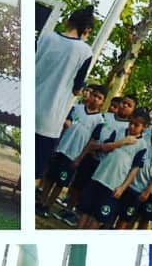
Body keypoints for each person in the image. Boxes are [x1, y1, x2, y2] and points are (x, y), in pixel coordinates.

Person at [35, 7, 95, 181]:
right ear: (87, 30)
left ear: (68, 21)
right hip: (50, 117)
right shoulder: (85, 52)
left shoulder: (45, 37)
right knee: (35, 168)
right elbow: (77, 88)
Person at [37, 86, 106, 215]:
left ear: (102, 102)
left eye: (99, 98)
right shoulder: (76, 108)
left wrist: (79, 158)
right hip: (61, 148)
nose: (95, 99)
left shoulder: (99, 121)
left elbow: (91, 142)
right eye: (94, 95)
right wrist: (56, 146)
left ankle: (48, 206)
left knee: (60, 182)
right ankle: (41, 201)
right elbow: (63, 126)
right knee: (50, 177)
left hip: (74, 155)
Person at [78, 108, 149, 230]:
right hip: (100, 176)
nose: (132, 127)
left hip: (114, 184)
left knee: (98, 216)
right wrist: (122, 142)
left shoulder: (142, 145)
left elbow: (134, 169)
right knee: (86, 209)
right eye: (131, 123)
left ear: (144, 127)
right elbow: (105, 147)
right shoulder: (119, 131)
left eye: (136, 125)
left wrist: (122, 188)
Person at [112, 112, 152, 230]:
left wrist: (147, 191)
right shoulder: (143, 137)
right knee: (112, 211)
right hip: (123, 181)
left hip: (139, 188)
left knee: (125, 218)